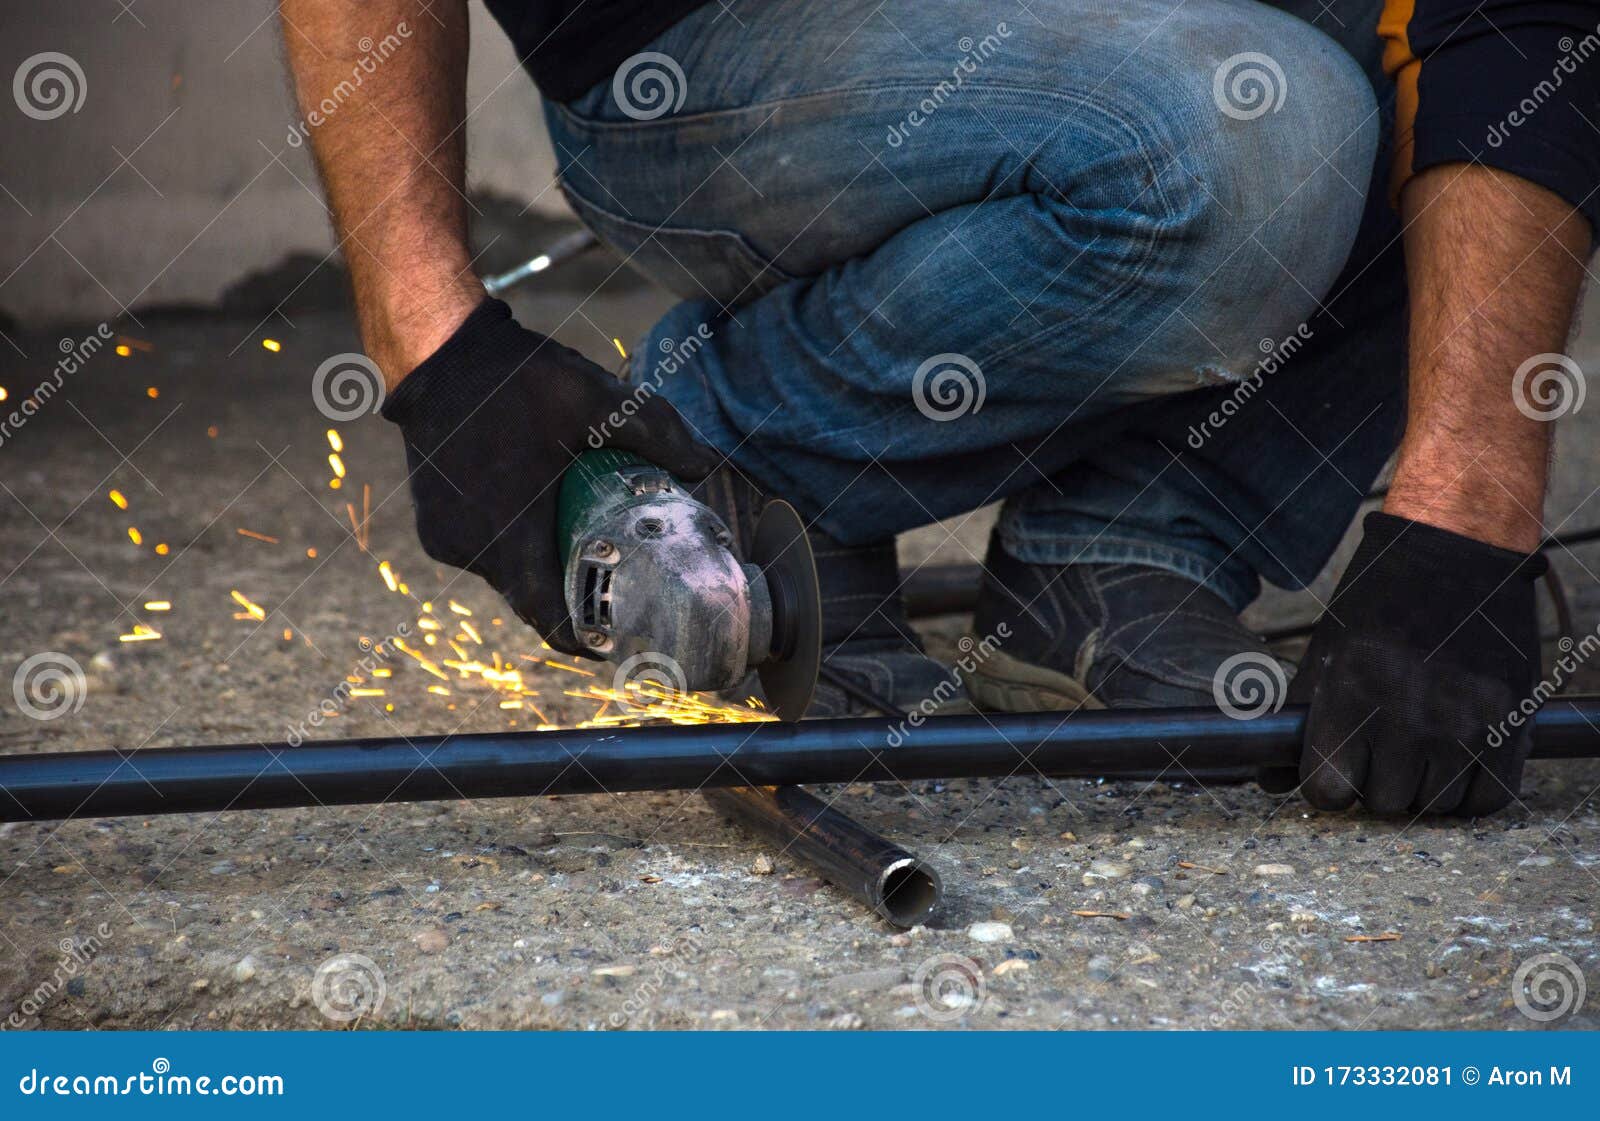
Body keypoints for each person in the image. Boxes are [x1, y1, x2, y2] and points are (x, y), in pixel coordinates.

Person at [280, 0, 1597, 815]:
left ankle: (1129, 533)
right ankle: (750, 444)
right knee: (1258, 143)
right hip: (701, 44)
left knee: (1486, 70)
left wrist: (1464, 523)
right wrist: (435, 349)